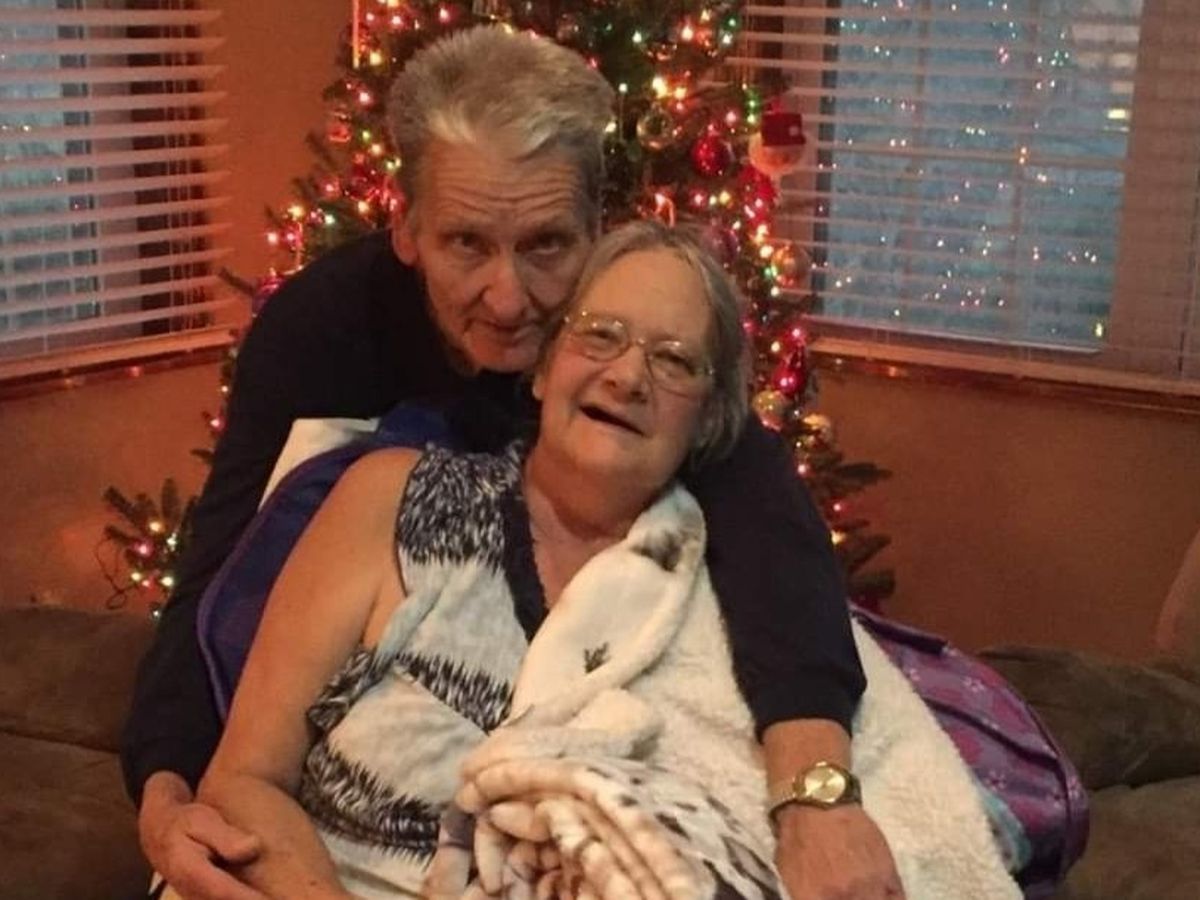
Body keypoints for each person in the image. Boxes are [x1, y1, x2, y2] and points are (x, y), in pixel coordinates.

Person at [124, 25, 891, 900]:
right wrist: (164, 789)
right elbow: (218, 564)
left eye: (546, 246)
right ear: (407, 227)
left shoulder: (623, 353)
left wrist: (817, 796)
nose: (508, 297)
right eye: (466, 245)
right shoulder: (318, 331)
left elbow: (772, 532)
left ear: (595, 232)